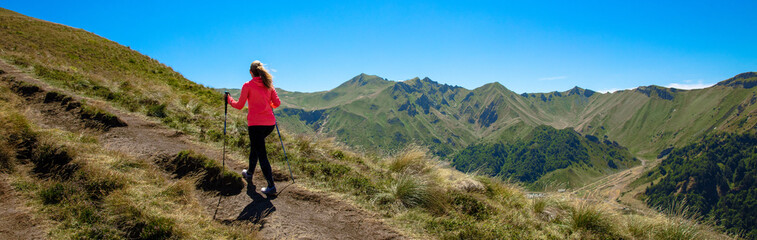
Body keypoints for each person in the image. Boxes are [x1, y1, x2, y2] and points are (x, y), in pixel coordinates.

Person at [227, 60, 281, 195]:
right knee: (256, 147)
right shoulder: (269, 85)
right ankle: (250, 173)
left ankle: (271, 186)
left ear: (251, 72)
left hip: (255, 125)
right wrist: (268, 106)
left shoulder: (248, 85)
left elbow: (239, 105)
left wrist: (229, 100)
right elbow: (277, 103)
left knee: (261, 153)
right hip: (269, 125)